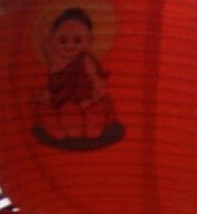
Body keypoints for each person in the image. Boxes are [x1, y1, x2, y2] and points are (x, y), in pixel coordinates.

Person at [31, 8, 126, 153]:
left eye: (77, 40)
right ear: (53, 40)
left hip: (85, 104)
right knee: (43, 103)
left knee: (91, 110)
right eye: (63, 40)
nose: (70, 45)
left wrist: (96, 96)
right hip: (58, 104)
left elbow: (96, 81)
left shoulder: (86, 61)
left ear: (89, 40)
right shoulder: (55, 60)